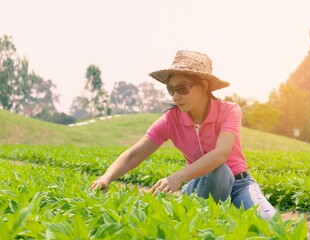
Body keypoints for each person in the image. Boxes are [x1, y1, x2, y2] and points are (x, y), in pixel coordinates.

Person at [90, 50, 276, 220]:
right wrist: (105, 178)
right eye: (171, 90)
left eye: (182, 89)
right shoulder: (171, 120)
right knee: (214, 180)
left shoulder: (229, 111)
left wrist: (176, 177)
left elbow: (221, 154)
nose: (175, 97)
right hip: (202, 184)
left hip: (239, 184)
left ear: (203, 87)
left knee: (269, 221)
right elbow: (134, 154)